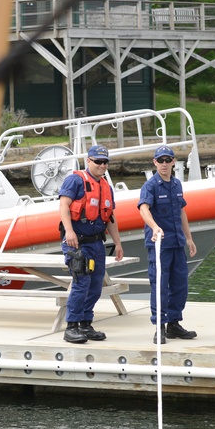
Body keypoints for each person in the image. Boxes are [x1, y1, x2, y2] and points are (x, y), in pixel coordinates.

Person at [58, 144, 124, 344]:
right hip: (77, 242)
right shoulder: (76, 180)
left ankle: (86, 323)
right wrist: (69, 231)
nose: (102, 166)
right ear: (88, 161)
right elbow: (63, 205)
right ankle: (72, 326)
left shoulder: (106, 187)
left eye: (105, 162)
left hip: (96, 244)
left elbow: (109, 217)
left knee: (95, 285)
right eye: (98, 162)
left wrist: (118, 244)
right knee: (81, 283)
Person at [138, 145, 198, 344]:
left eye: (167, 160)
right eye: (160, 160)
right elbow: (144, 209)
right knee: (160, 285)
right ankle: (159, 326)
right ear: (155, 163)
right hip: (160, 244)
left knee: (180, 285)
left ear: (173, 162)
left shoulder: (177, 184)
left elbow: (182, 212)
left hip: (177, 243)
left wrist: (189, 238)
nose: (164, 164)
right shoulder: (151, 186)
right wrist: (154, 227)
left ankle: (174, 323)